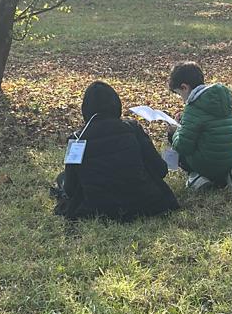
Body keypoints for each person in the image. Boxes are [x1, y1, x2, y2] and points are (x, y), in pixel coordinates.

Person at [55, 81, 180, 222]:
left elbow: (70, 189)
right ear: (116, 104)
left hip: (97, 208)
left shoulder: (76, 139)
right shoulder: (133, 129)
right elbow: (160, 170)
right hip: (144, 202)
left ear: (85, 109)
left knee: (62, 178)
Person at [168, 63, 232, 194]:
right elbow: (210, 123)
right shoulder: (220, 99)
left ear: (184, 87)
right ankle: (229, 174)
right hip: (228, 159)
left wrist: (175, 131)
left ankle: (197, 176)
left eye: (179, 94)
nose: (182, 99)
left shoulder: (193, 108)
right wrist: (185, 120)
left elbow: (183, 146)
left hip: (206, 164)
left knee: (174, 139)